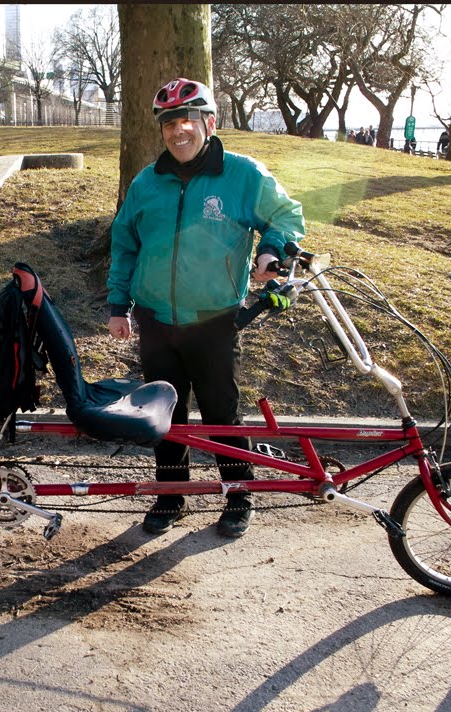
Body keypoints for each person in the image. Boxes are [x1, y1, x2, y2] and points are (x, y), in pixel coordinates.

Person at [106, 78, 305, 539]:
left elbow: (287, 215)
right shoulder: (146, 182)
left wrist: (271, 248)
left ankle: (238, 495)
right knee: (164, 414)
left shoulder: (242, 174)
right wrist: (120, 304)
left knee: (220, 413)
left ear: (209, 123)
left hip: (214, 320)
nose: (179, 131)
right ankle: (170, 496)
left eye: (188, 121)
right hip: (156, 319)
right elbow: (124, 242)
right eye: (170, 123)